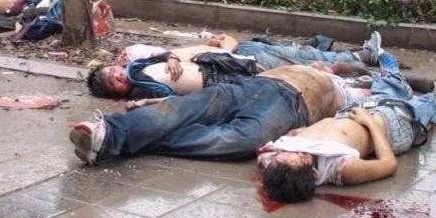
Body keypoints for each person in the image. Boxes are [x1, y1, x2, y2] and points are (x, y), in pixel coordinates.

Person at [70, 63, 360, 165]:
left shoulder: (351, 92)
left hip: (293, 104)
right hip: (252, 84)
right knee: (184, 108)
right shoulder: (309, 64)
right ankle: (109, 133)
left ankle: (123, 139)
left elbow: (362, 99)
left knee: (241, 140)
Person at [259, 51, 435, 202]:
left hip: (358, 110)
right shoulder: (341, 169)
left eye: (286, 154)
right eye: (300, 156)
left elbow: (272, 157)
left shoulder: (279, 160)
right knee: (423, 103)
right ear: (314, 173)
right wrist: (370, 123)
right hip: (392, 124)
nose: (296, 151)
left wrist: (299, 133)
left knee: (386, 89)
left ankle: (394, 77)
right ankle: (402, 85)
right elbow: (388, 164)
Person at [86, 32, 383, 102]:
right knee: (299, 66)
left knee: (297, 56)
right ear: (114, 93)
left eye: (113, 70)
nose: (118, 75)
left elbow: (168, 54)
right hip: (225, 76)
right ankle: (358, 73)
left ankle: (360, 60)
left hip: (225, 60)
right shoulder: (143, 91)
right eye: (113, 81)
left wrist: (174, 58)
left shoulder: (139, 65)